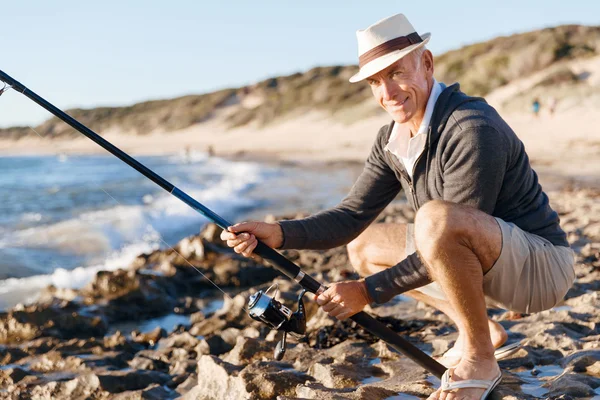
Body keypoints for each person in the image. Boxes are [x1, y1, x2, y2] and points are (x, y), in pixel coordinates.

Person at [220, 13, 575, 400]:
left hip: (541, 271)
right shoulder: (391, 139)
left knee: (436, 219)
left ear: (426, 64)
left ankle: (479, 358)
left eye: (395, 73)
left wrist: (367, 292)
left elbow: (448, 235)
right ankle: (483, 330)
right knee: (364, 244)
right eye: (375, 81)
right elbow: (351, 216)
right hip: (483, 259)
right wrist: (280, 233)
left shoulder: (471, 127)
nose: (387, 92)